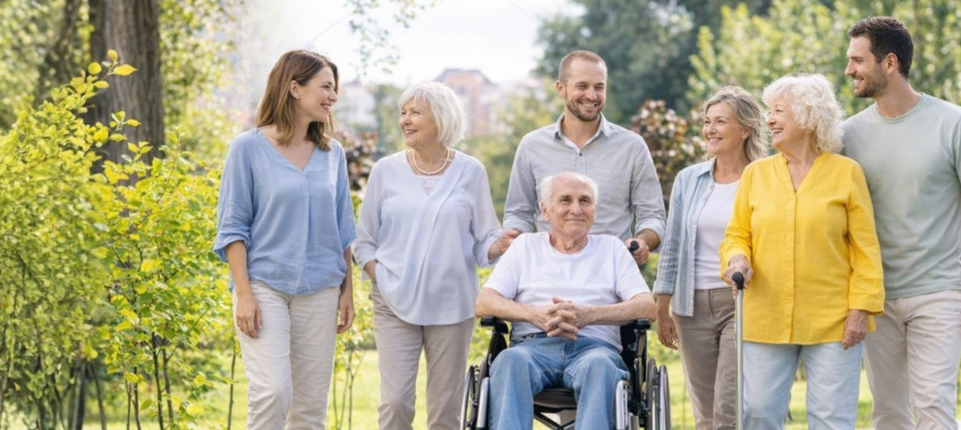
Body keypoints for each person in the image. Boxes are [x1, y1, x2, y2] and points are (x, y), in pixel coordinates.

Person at [841, 16, 961, 430]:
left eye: (858, 60)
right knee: (889, 413)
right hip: (875, 295)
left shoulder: (955, 123)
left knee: (933, 406)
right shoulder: (846, 136)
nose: (849, 71)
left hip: (937, 291)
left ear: (889, 63)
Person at [720, 74, 885, 430]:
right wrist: (737, 258)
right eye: (768, 111)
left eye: (779, 110)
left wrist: (860, 309)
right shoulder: (756, 175)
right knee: (759, 413)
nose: (769, 119)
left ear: (809, 117)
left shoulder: (846, 173)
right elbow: (737, 234)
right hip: (765, 315)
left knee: (830, 419)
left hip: (833, 319)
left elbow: (865, 250)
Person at [352, 81, 516, 430]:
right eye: (403, 112)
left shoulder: (471, 171)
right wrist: (379, 276)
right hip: (393, 301)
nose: (405, 120)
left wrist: (497, 246)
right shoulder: (386, 170)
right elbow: (363, 240)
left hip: (452, 304)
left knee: (445, 412)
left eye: (415, 112)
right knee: (395, 403)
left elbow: (483, 239)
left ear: (441, 119)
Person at [213, 50, 355, 429]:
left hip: (321, 287)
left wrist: (347, 290)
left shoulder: (332, 154)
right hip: (264, 287)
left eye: (334, 89)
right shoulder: (247, 149)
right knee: (272, 393)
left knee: (309, 410)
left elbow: (343, 227)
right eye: (325, 87)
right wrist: (243, 294)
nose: (332, 96)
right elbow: (233, 228)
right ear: (295, 88)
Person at [477, 172, 657, 430]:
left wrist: (589, 315)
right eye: (565, 200)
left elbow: (646, 306)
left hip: (594, 349)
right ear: (545, 210)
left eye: (585, 201)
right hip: (532, 348)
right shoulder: (524, 246)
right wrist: (535, 315)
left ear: (594, 210)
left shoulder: (612, 249)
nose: (576, 209)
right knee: (509, 361)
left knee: (599, 367)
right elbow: (484, 302)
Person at [653, 86, 768, 430]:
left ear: (745, 129)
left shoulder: (766, 177)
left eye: (721, 122)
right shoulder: (689, 180)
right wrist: (662, 305)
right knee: (704, 414)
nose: (710, 130)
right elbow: (672, 245)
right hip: (692, 305)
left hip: (744, 301)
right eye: (707, 122)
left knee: (728, 410)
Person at [503, 50, 665, 265]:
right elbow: (518, 213)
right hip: (548, 271)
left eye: (599, 87)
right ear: (561, 88)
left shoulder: (632, 147)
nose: (591, 95)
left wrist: (642, 241)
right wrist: (515, 239)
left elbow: (653, 215)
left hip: (613, 276)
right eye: (582, 86)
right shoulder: (532, 146)